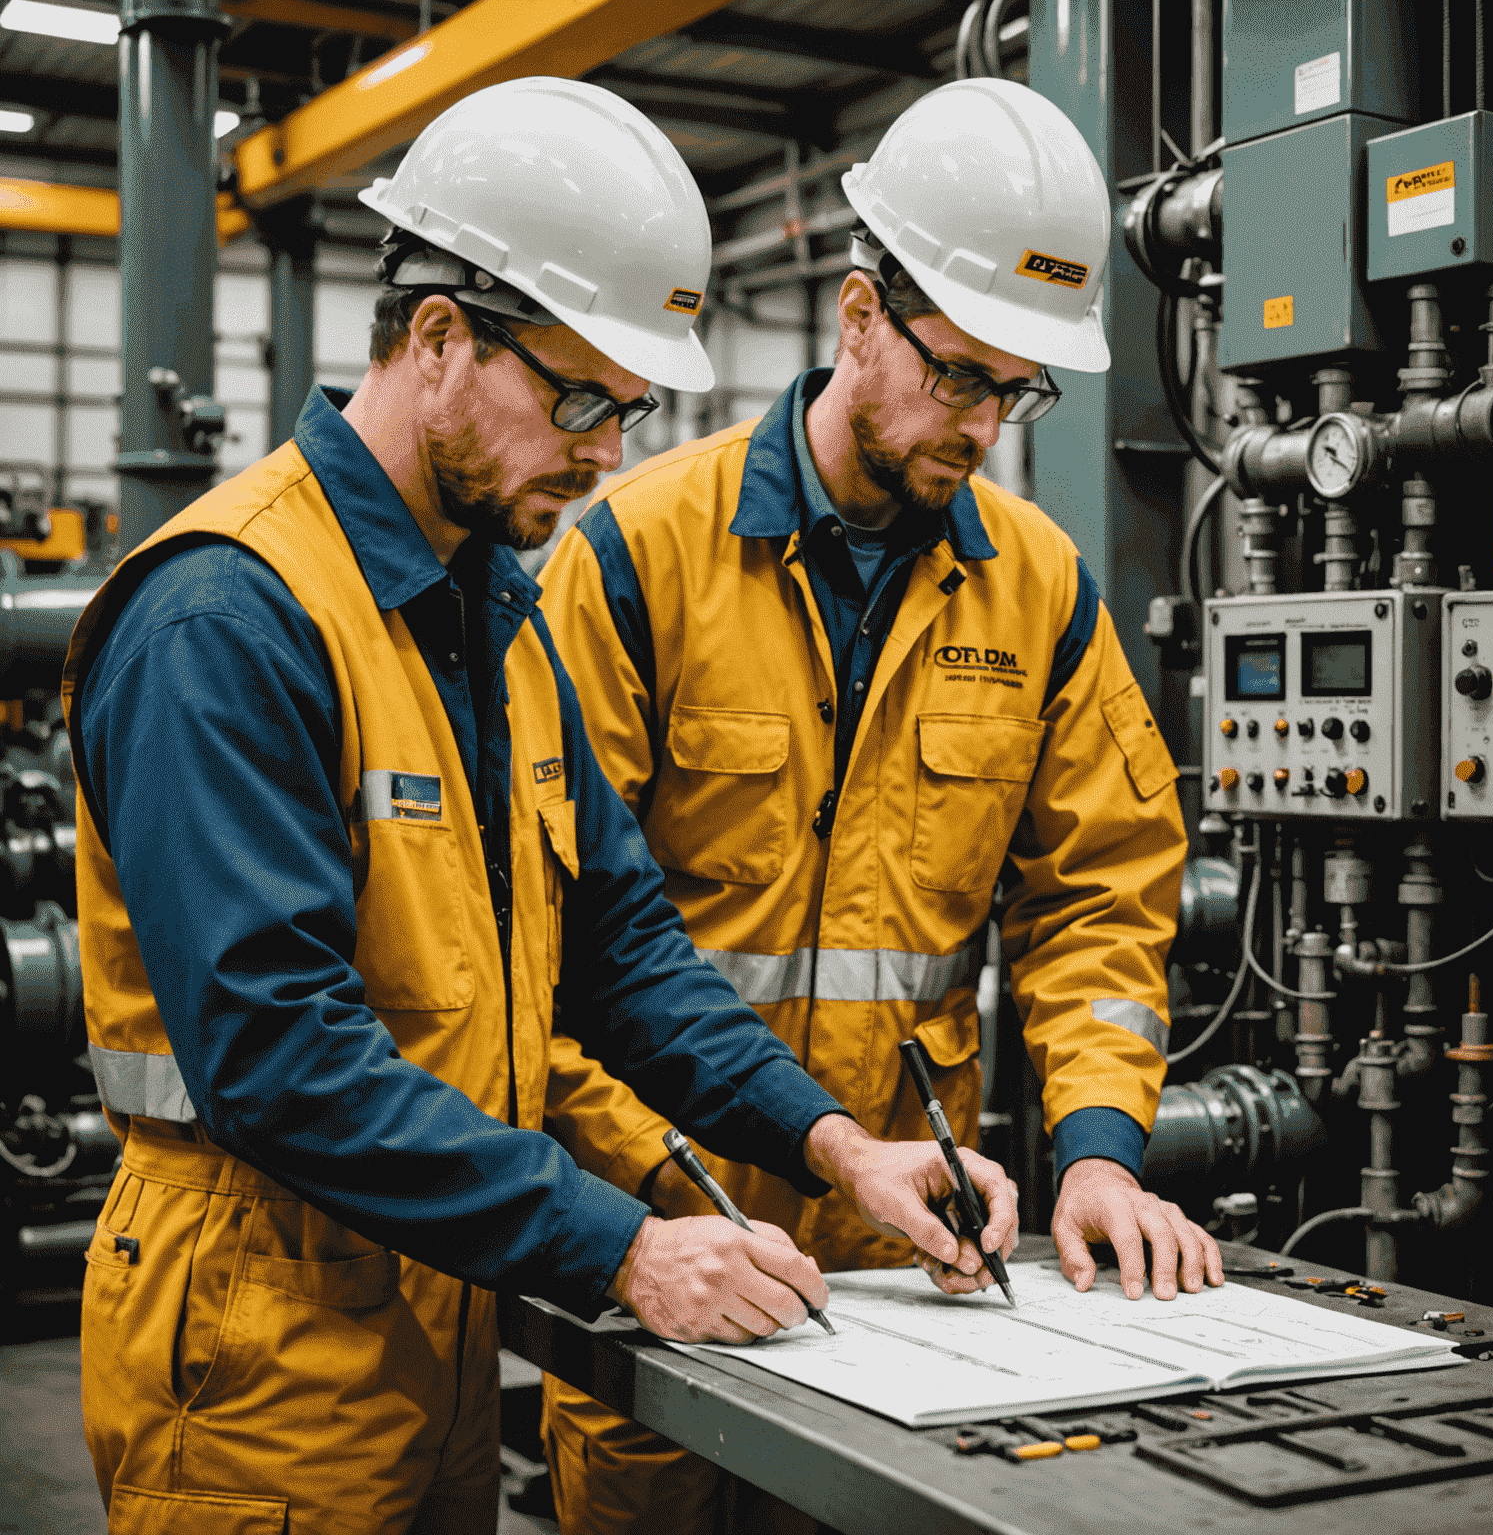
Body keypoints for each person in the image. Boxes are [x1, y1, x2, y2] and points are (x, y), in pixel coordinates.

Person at [62, 78, 1018, 1535]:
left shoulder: (491, 619)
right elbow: (277, 1052)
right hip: (255, 1342)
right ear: (439, 338)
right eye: (578, 400)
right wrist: (622, 1246)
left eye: (628, 411)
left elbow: (624, 957)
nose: (606, 456)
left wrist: (836, 1145)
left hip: (435, 1312)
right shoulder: (227, 616)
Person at [536, 76, 1225, 1532]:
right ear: (859, 320)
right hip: (668, 1231)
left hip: (916, 1250)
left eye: (1016, 389)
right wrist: (640, 1202)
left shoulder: (1036, 590)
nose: (982, 423)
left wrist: (1099, 1147)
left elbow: (1102, 895)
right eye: (958, 375)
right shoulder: (636, 558)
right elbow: (537, 932)